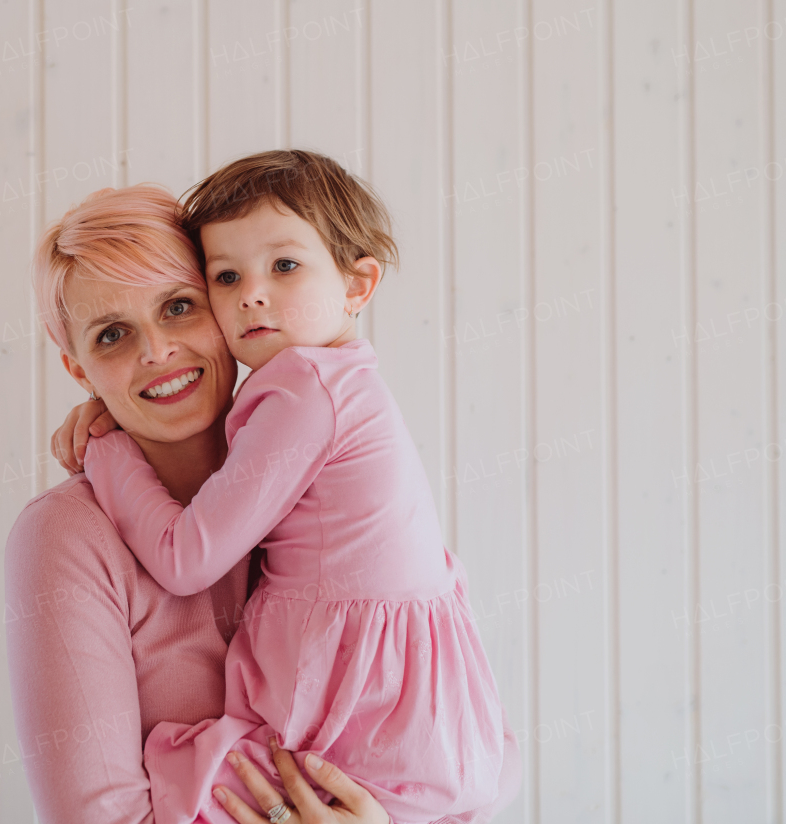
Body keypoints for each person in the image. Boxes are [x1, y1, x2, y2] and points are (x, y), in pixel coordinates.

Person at [77, 151, 521, 824]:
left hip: (360, 696)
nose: (251, 292)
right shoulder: (342, 379)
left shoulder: (305, 386)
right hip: (409, 700)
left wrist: (105, 449)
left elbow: (184, 557)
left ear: (357, 284)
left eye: (283, 266)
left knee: (193, 787)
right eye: (226, 276)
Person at [5, 182, 399, 824]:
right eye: (110, 336)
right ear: (80, 371)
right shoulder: (65, 536)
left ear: (229, 303)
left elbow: (454, 729)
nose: (156, 352)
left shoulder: (330, 473)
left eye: (180, 306)